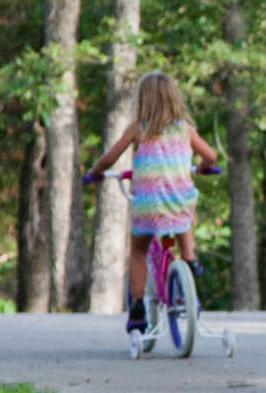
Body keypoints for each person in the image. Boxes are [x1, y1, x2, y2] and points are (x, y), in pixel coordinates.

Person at [84, 71, 221, 331]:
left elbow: (109, 159)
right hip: (178, 202)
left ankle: (137, 310)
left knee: (138, 251)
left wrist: (96, 172)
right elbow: (211, 156)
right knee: (184, 214)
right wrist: (204, 166)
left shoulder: (138, 129)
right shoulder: (186, 130)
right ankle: (190, 261)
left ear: (142, 100)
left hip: (148, 205)